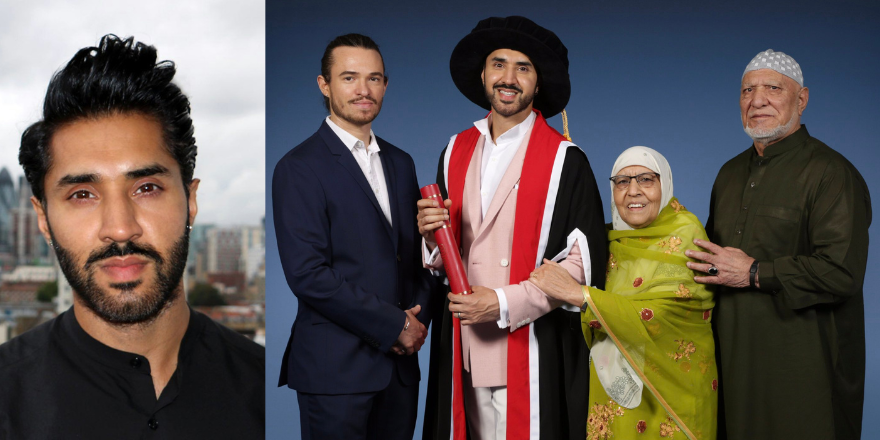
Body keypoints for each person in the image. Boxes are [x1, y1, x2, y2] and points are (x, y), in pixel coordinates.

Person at [0, 35, 264, 438]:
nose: (121, 228)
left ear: (190, 201)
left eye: (147, 188)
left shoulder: (275, 392)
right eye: (82, 195)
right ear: (42, 219)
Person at [418, 16, 607, 440]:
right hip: (463, 341)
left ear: (538, 84)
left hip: (530, 342)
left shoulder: (565, 159)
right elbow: (442, 256)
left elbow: (584, 263)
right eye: (498, 64)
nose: (509, 78)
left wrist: (504, 303)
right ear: (483, 74)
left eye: (523, 68)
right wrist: (430, 238)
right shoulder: (454, 150)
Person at [686, 49, 870, 439]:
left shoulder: (832, 173)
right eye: (747, 90)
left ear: (801, 99)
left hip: (805, 378)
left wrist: (755, 272)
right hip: (733, 370)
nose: (757, 101)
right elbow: (707, 263)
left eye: (773, 88)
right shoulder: (730, 174)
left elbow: (841, 273)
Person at [273, 33, 433, 440]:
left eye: (374, 78)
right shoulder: (298, 167)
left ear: (385, 85)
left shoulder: (401, 162)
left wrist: (416, 324)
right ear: (324, 85)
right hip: (334, 372)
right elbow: (308, 274)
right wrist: (394, 324)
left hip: (399, 371)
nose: (364, 90)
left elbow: (415, 258)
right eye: (349, 78)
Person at [531, 146, 717, 440]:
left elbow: (668, 312)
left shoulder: (685, 235)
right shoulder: (604, 242)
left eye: (646, 180)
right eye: (622, 181)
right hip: (614, 395)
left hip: (674, 394)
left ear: (664, 184)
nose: (633, 191)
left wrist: (582, 296)